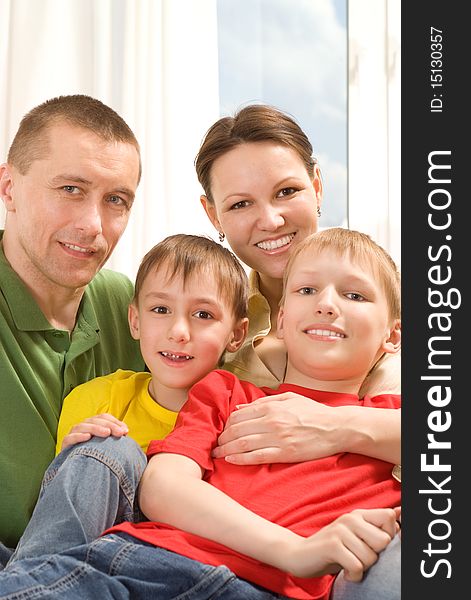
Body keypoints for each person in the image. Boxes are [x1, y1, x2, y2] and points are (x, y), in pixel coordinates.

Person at [0, 227, 401, 600]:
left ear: (393, 335)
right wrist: (296, 550)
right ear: (281, 320)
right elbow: (162, 488)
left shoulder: (394, 421)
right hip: (146, 560)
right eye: (308, 289)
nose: (327, 305)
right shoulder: (225, 392)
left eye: (354, 295)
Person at [4, 234, 248, 564]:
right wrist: (78, 453)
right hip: (87, 559)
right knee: (109, 447)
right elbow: (64, 510)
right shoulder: (98, 398)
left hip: (180, 563)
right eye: (160, 309)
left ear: (237, 334)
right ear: (135, 321)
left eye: (203, 315)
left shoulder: (244, 417)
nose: (179, 331)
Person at [194, 104, 401, 470]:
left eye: (287, 191)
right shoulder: (207, 321)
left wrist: (334, 425)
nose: (271, 220)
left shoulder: (390, 302)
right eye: (241, 203)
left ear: (317, 187)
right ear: (214, 216)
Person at [0, 94, 145, 550]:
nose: (93, 225)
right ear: (8, 188)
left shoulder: (137, 307)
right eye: (70, 190)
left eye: (115, 200)